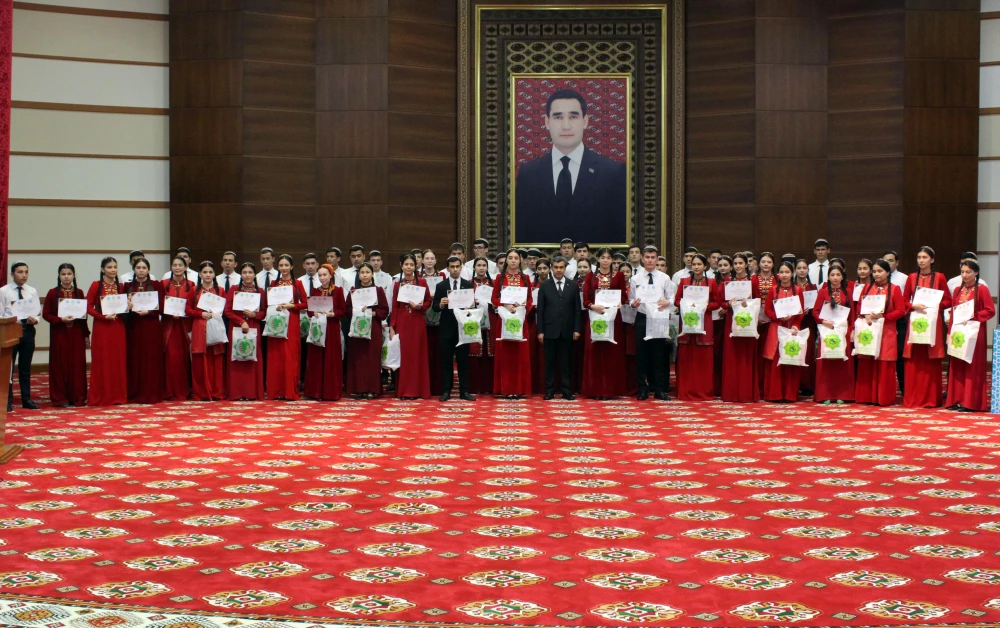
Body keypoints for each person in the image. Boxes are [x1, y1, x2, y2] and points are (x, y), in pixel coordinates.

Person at [514, 88, 628, 244]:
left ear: (585, 121)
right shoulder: (529, 173)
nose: (566, 126)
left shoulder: (612, 172)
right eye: (558, 117)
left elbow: (619, 234)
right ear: (547, 122)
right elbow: (521, 233)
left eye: (573, 117)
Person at [901, 246, 951, 408]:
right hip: (915, 322)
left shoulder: (940, 277)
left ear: (932, 260)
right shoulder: (911, 277)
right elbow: (903, 301)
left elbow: (948, 301)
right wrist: (913, 306)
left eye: (924, 257)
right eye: (919, 257)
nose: (921, 260)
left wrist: (935, 305)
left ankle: (930, 399)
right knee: (914, 359)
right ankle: (913, 398)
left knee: (930, 361)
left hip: (933, 323)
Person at [945, 259, 995, 412]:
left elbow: (990, 310)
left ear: (976, 273)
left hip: (975, 333)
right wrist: (949, 334)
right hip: (959, 332)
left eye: (968, 272)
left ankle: (971, 402)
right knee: (957, 364)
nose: (965, 275)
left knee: (971, 366)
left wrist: (974, 316)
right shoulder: (957, 290)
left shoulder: (982, 289)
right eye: (963, 272)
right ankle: (956, 399)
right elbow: (953, 313)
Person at [855, 259, 906, 406]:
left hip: (886, 331)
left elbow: (901, 311)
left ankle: (883, 398)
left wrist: (883, 316)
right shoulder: (866, 289)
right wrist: (865, 315)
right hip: (869, 327)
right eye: (875, 271)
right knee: (868, 361)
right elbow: (859, 307)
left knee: (884, 363)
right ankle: (867, 396)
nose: (877, 274)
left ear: (888, 272)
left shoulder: (895, 289)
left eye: (880, 271)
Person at [580, 248, 628, 399]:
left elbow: (624, 297)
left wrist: (620, 303)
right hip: (595, 316)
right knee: (595, 352)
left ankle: (611, 390)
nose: (606, 260)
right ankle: (595, 390)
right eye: (603, 257)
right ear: (598, 259)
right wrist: (593, 306)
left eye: (608, 257)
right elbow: (586, 299)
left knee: (612, 353)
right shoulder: (590, 276)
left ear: (612, 260)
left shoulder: (619, 276)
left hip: (613, 318)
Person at [630, 246, 676, 400]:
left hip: (658, 317)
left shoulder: (664, 278)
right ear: (642, 259)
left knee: (658, 354)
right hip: (642, 316)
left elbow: (672, 298)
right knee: (641, 355)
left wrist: (667, 302)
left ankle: (659, 389)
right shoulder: (635, 278)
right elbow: (631, 298)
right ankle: (642, 389)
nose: (650, 260)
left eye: (653, 257)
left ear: (657, 259)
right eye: (647, 257)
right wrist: (633, 303)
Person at [674, 254, 720, 401]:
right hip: (687, 323)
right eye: (694, 264)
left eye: (699, 264)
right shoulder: (684, 281)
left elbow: (717, 303)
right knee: (687, 359)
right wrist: (687, 305)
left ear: (705, 266)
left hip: (705, 322)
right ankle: (685, 391)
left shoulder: (711, 283)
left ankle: (703, 391)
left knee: (703, 360)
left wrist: (704, 306)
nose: (696, 267)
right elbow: (676, 301)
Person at [43, 263, 89, 407]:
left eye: (69, 274)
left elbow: (83, 317)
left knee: (77, 365)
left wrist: (86, 334)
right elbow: (46, 314)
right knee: (60, 365)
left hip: (76, 334)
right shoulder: (52, 293)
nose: (66, 277)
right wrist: (59, 319)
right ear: (59, 276)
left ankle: (78, 398)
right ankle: (60, 398)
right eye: (63, 274)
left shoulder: (79, 292)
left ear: (74, 275)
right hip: (60, 334)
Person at [491, 248, 534, 398]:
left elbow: (529, 300)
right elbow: (494, 299)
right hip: (504, 320)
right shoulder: (499, 278)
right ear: (506, 260)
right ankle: (506, 389)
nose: (513, 260)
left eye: (516, 258)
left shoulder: (526, 278)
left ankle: (519, 389)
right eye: (511, 258)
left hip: (520, 320)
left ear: (520, 260)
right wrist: (505, 305)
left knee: (520, 354)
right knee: (506, 354)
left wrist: (522, 308)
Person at [433, 256, 476, 402]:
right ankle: (446, 391)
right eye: (452, 267)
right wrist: (441, 304)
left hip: (463, 328)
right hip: (447, 328)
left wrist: (471, 304)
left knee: (463, 361)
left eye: (457, 266)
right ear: (448, 268)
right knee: (446, 361)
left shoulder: (468, 285)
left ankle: (464, 391)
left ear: (461, 267)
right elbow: (434, 307)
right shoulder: (441, 286)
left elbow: (472, 308)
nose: (455, 269)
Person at [537, 256, 581, 400]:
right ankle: (549, 390)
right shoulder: (545, 285)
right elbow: (541, 310)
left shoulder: (573, 285)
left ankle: (566, 390)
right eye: (555, 267)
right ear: (551, 268)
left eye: (561, 267)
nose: (558, 270)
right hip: (550, 330)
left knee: (566, 362)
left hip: (568, 330)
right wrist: (540, 331)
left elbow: (577, 310)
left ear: (565, 268)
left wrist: (577, 329)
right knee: (549, 362)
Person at [389, 254, 432, 399]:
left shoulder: (422, 283)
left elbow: (428, 301)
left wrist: (421, 306)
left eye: (411, 264)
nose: (409, 267)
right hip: (402, 322)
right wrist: (392, 326)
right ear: (401, 266)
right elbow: (394, 306)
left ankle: (418, 390)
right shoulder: (397, 284)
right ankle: (404, 391)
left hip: (417, 322)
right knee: (404, 357)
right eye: (406, 264)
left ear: (415, 266)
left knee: (417, 356)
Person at [719, 253, 760, 402]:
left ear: (746, 265)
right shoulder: (728, 281)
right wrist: (729, 304)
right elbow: (721, 302)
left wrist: (747, 303)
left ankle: (746, 392)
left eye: (740, 263)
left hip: (748, 321)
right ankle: (731, 393)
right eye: (735, 263)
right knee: (732, 355)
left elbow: (758, 301)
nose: (738, 266)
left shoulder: (752, 281)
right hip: (731, 320)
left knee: (746, 356)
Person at [267, 254, 308, 401]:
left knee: (290, 356)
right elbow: (267, 303)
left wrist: (292, 306)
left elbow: (305, 304)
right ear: (278, 267)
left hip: (292, 321)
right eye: (281, 265)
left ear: (291, 267)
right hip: (276, 321)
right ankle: (277, 390)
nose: (283, 268)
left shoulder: (298, 284)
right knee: (277, 356)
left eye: (286, 265)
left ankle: (290, 391)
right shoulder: (273, 283)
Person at [87, 257, 127, 406]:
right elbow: (89, 307)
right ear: (102, 269)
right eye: (109, 267)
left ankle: (117, 396)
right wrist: (102, 317)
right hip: (102, 328)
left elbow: (124, 307)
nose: (113, 270)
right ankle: (101, 396)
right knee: (102, 361)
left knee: (118, 361)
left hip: (118, 327)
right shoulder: (95, 285)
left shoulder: (121, 286)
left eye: (115, 267)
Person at [346, 262, 389, 399]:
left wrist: (373, 313)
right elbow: (347, 309)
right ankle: (359, 389)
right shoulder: (354, 291)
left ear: (372, 274)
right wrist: (356, 310)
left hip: (373, 329)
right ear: (359, 275)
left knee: (372, 359)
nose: (365, 275)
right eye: (362, 273)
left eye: (367, 272)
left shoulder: (378, 290)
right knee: (358, 359)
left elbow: (385, 309)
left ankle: (372, 389)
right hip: (357, 328)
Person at [124, 258, 164, 404]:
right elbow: (122, 308)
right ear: (133, 269)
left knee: (150, 359)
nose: (141, 270)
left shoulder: (156, 285)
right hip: (134, 327)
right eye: (138, 268)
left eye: (144, 268)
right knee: (135, 358)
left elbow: (163, 306)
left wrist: (149, 312)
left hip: (151, 326)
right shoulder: (127, 286)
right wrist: (126, 304)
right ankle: (134, 392)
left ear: (148, 269)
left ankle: (151, 393)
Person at [762, 261, 804, 402]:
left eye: (787, 272)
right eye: (782, 272)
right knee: (776, 360)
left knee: (790, 358)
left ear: (792, 273)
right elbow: (767, 310)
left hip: (791, 328)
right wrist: (777, 316)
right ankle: (775, 395)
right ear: (778, 274)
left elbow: (801, 312)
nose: (784, 275)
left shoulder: (798, 290)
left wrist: (796, 325)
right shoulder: (773, 290)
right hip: (776, 328)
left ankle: (789, 395)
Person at [303, 263, 346, 401]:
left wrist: (333, 314)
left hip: (332, 328)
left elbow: (343, 311)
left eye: (325, 275)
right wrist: (313, 312)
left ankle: (331, 392)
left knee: (330, 359)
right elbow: (309, 311)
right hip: (317, 327)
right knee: (316, 358)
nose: (322, 278)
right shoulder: (315, 291)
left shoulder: (338, 291)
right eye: (320, 275)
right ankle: (315, 391)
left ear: (331, 275)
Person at [813, 265, 854, 404]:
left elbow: (852, 314)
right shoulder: (823, 292)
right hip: (827, 331)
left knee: (842, 362)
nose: (835, 278)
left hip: (843, 331)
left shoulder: (848, 291)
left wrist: (852, 329)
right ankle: (825, 394)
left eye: (838, 275)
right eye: (832, 275)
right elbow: (815, 312)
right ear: (828, 277)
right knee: (826, 362)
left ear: (842, 277)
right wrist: (823, 321)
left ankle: (843, 394)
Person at [225, 262, 266, 401]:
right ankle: (237, 392)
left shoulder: (259, 291)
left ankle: (251, 393)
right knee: (237, 358)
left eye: (250, 272)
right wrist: (241, 321)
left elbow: (264, 312)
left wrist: (256, 316)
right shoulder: (234, 289)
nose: (247, 275)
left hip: (253, 326)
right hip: (237, 326)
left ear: (255, 274)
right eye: (244, 272)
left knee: (252, 358)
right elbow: (227, 310)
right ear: (240, 274)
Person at [2, 262, 41, 410]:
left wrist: (34, 319)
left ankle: (27, 399)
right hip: (10, 330)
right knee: (9, 367)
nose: (23, 275)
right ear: (12, 274)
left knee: (25, 367)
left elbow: (37, 312)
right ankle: (7, 401)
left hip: (28, 330)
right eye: (19, 272)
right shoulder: (4, 291)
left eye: (26, 272)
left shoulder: (31, 291)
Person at [186, 261, 226, 401]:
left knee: (215, 359)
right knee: (200, 359)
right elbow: (187, 310)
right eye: (205, 272)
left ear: (214, 274)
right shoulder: (194, 290)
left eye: (210, 272)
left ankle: (216, 392)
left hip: (215, 325)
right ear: (200, 274)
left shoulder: (220, 290)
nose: (208, 275)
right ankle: (202, 392)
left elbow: (225, 309)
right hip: (199, 325)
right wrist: (200, 314)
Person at [162, 256, 194, 401]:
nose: (177, 268)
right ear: (171, 267)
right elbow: (157, 305)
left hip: (185, 326)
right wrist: (167, 311)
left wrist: (184, 313)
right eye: (174, 265)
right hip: (169, 326)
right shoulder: (163, 284)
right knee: (170, 359)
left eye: (180, 265)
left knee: (184, 358)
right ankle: (169, 391)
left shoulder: (192, 285)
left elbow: (193, 306)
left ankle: (184, 390)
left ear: (185, 267)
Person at [883, 250, 908, 395]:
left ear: (897, 262)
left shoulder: (904, 279)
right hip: (881, 322)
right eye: (885, 260)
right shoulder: (877, 281)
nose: (888, 263)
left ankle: (904, 388)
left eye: (891, 260)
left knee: (899, 355)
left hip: (899, 321)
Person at [468, 257, 495, 394]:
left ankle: (489, 386)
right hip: (473, 320)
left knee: (488, 352)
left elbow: (498, 299)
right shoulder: (468, 284)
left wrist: (493, 302)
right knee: (474, 350)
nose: (481, 268)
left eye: (484, 265)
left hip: (490, 320)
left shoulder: (493, 283)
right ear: (474, 267)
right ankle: (475, 387)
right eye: (478, 265)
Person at [420, 250, 444, 396]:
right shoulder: (418, 277)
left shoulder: (442, 276)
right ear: (422, 261)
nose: (429, 261)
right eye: (426, 258)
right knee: (425, 353)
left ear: (435, 261)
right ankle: (425, 386)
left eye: (432, 258)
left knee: (438, 354)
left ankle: (438, 387)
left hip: (440, 318)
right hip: (423, 316)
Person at [794, 259, 818, 396]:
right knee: (794, 349)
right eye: (799, 268)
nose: (802, 270)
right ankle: (795, 383)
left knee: (808, 352)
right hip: (795, 321)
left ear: (808, 270)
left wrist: (812, 309)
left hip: (808, 322)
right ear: (795, 270)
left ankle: (807, 385)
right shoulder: (791, 286)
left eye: (804, 268)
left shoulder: (813, 287)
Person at [755, 252, 776, 396]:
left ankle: (769, 386)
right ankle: (757, 386)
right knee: (757, 353)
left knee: (770, 353)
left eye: (769, 262)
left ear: (773, 264)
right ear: (759, 264)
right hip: (754, 320)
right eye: (763, 262)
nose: (766, 264)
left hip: (773, 320)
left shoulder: (779, 279)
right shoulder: (753, 279)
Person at [528, 258, 550, 393]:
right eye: (540, 268)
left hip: (549, 322)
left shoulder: (553, 284)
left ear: (549, 269)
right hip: (533, 321)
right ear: (536, 270)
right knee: (533, 353)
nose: (542, 271)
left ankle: (546, 385)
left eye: (545, 268)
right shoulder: (531, 285)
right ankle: (533, 384)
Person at [619, 262, 638, 395]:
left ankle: (633, 386)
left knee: (631, 354)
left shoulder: (635, 287)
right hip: (618, 323)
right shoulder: (614, 286)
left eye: (627, 271)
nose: (625, 274)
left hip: (632, 324)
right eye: (622, 271)